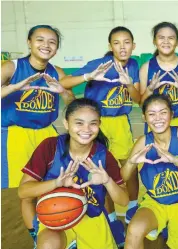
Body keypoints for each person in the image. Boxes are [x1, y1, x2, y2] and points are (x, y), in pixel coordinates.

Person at [60, 26, 140, 247]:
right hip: (97, 124)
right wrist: (88, 76)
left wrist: (129, 84)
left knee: (129, 166)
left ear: (134, 45)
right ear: (110, 46)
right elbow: (64, 82)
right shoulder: (99, 64)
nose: (122, 47)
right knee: (100, 172)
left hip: (121, 123)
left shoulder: (133, 65)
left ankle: (133, 206)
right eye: (117, 42)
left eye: (126, 42)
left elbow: (139, 98)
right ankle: (112, 220)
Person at [18, 98, 129, 249]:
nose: (86, 129)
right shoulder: (50, 147)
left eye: (93, 123)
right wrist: (57, 183)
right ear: (66, 123)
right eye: (79, 123)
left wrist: (107, 181)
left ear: (99, 125)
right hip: (55, 219)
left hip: (92, 219)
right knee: (48, 245)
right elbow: (23, 192)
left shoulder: (104, 156)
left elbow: (123, 200)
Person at [1, 24, 74, 246]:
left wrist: (63, 92)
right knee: (24, 189)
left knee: (54, 182)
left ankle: (56, 227)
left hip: (46, 134)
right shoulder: (11, 67)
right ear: (29, 42)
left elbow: (72, 102)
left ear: (57, 48)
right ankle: (34, 233)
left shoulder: (56, 72)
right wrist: (14, 88)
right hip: (16, 134)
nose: (46, 45)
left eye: (52, 42)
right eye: (40, 40)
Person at [121, 94, 178, 249]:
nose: (157, 118)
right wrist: (131, 162)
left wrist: (175, 160)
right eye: (151, 114)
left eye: (163, 112)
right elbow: (124, 176)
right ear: (144, 118)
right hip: (155, 201)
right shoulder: (143, 142)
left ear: (172, 114)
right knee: (133, 230)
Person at [139, 22, 178, 135]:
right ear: (154, 41)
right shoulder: (146, 68)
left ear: (177, 42)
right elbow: (142, 104)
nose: (166, 41)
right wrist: (149, 90)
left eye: (171, 38)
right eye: (161, 38)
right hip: (157, 123)